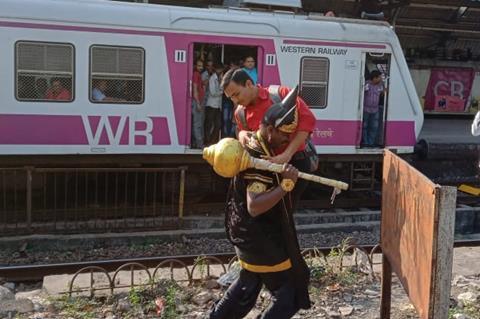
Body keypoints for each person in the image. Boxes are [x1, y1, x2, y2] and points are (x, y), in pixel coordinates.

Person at [208, 91, 310, 319]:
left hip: (245, 233)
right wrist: (286, 185)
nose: (287, 141)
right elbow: (254, 206)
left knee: (249, 283)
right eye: (285, 136)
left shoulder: (258, 143)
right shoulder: (258, 160)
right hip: (260, 238)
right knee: (290, 291)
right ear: (271, 130)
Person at [362, 70, 385, 147]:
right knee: (365, 126)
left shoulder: (380, 85)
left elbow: (383, 93)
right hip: (366, 109)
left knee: (374, 127)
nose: (380, 79)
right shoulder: (366, 84)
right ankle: (365, 142)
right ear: (374, 78)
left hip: (375, 110)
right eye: (379, 77)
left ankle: (371, 143)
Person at [204, 63, 224, 145]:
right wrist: (222, 92)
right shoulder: (212, 78)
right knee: (208, 124)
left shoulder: (221, 78)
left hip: (218, 106)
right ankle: (207, 141)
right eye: (218, 69)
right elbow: (213, 93)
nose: (220, 71)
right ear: (215, 69)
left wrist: (220, 89)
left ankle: (212, 141)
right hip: (211, 105)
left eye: (221, 69)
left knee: (218, 124)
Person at [192, 59, 206, 148]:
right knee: (198, 124)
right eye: (198, 66)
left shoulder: (198, 75)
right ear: (195, 66)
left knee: (199, 123)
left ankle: (197, 143)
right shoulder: (196, 74)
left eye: (201, 66)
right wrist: (198, 103)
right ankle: (200, 144)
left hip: (200, 100)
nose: (200, 67)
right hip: (198, 101)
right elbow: (194, 89)